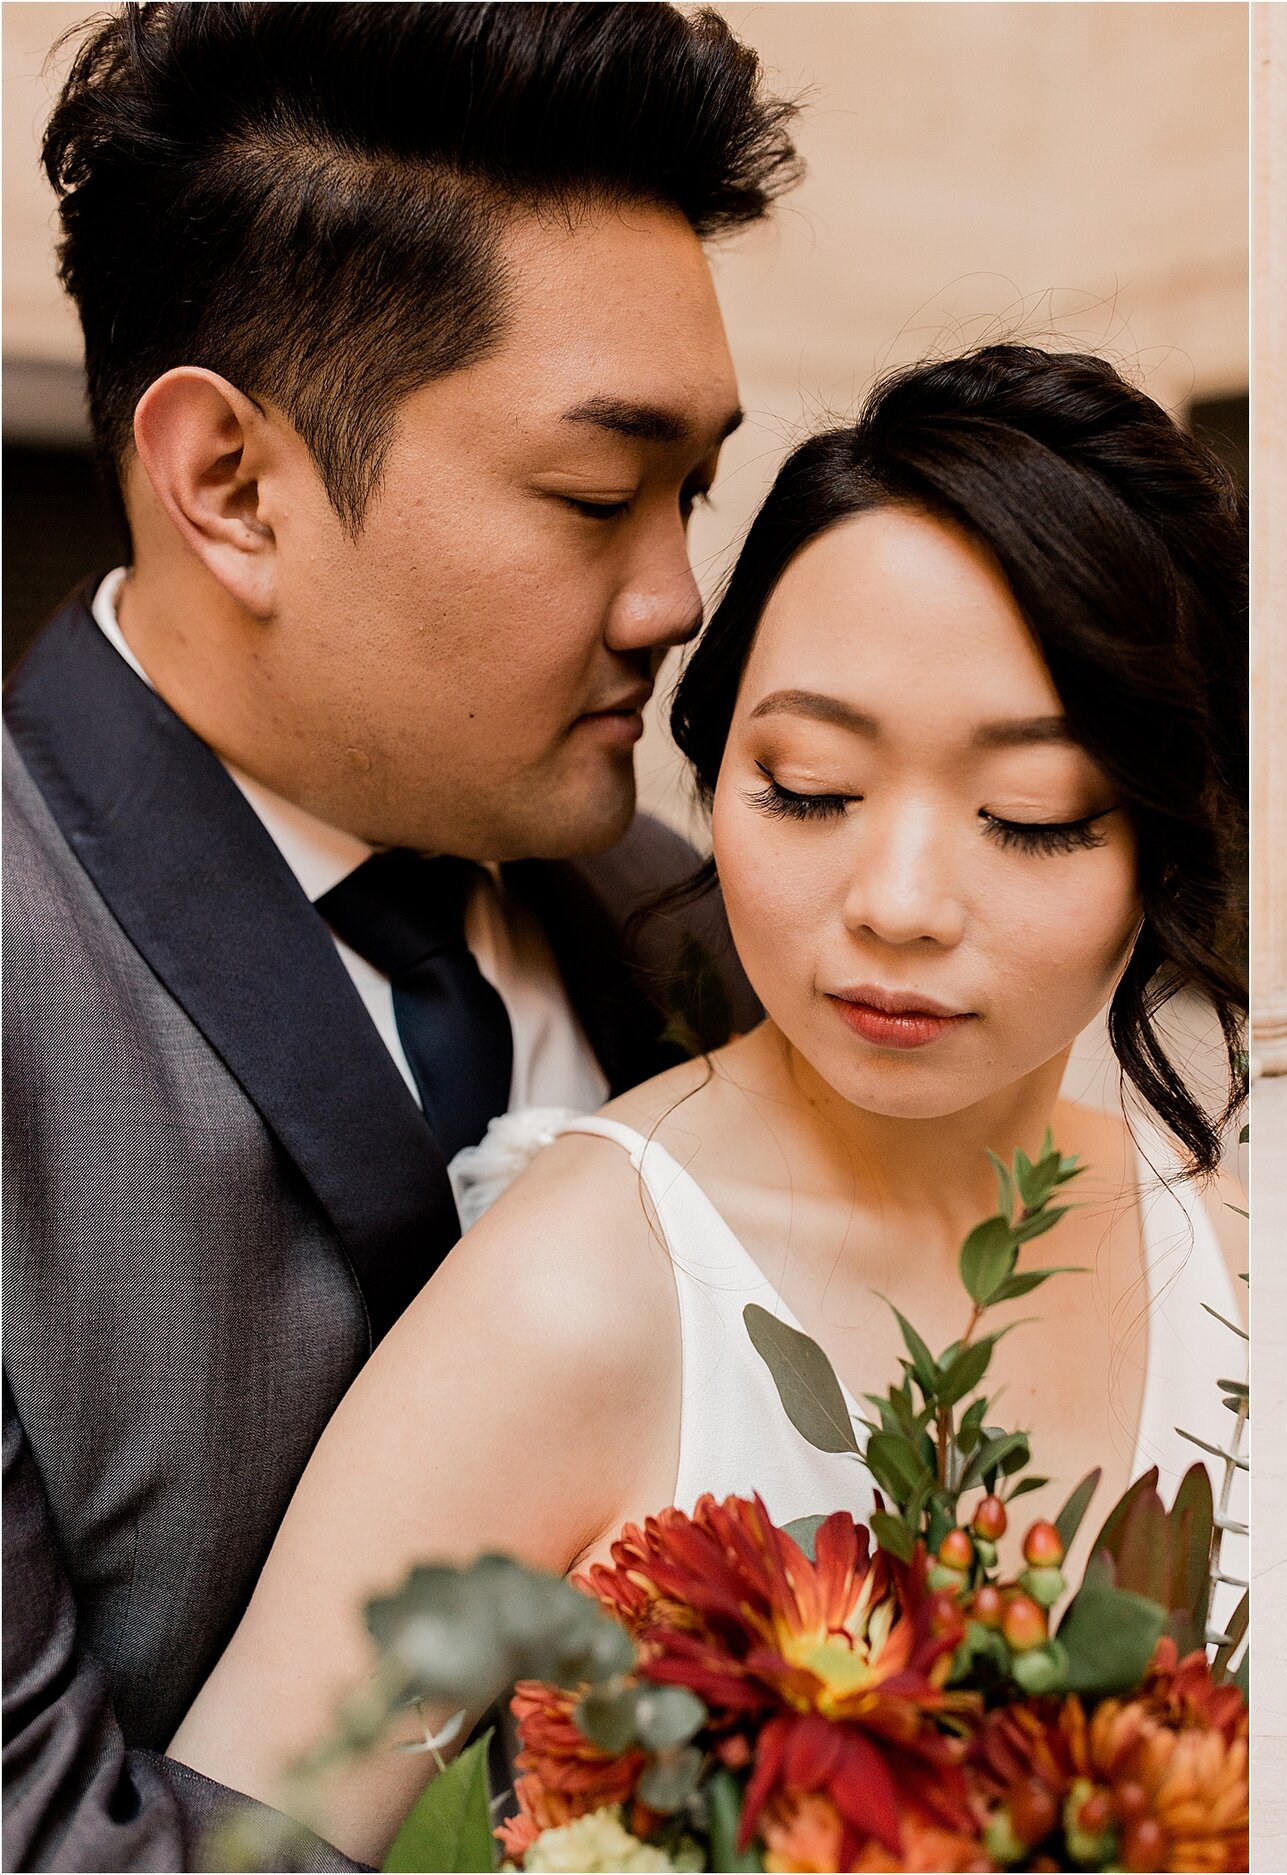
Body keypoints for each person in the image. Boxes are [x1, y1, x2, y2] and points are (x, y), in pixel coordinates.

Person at [165, 345, 1251, 1869]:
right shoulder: (573, 1292)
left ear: (1167, 841)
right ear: (715, 761)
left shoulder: (1232, 1239)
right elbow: (222, 1848)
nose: (899, 904)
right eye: (806, 785)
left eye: (1032, 817)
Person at [1, 8, 799, 1866]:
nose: (677, 596)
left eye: (693, 495)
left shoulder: (694, 926)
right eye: (599, 497)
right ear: (233, 486)